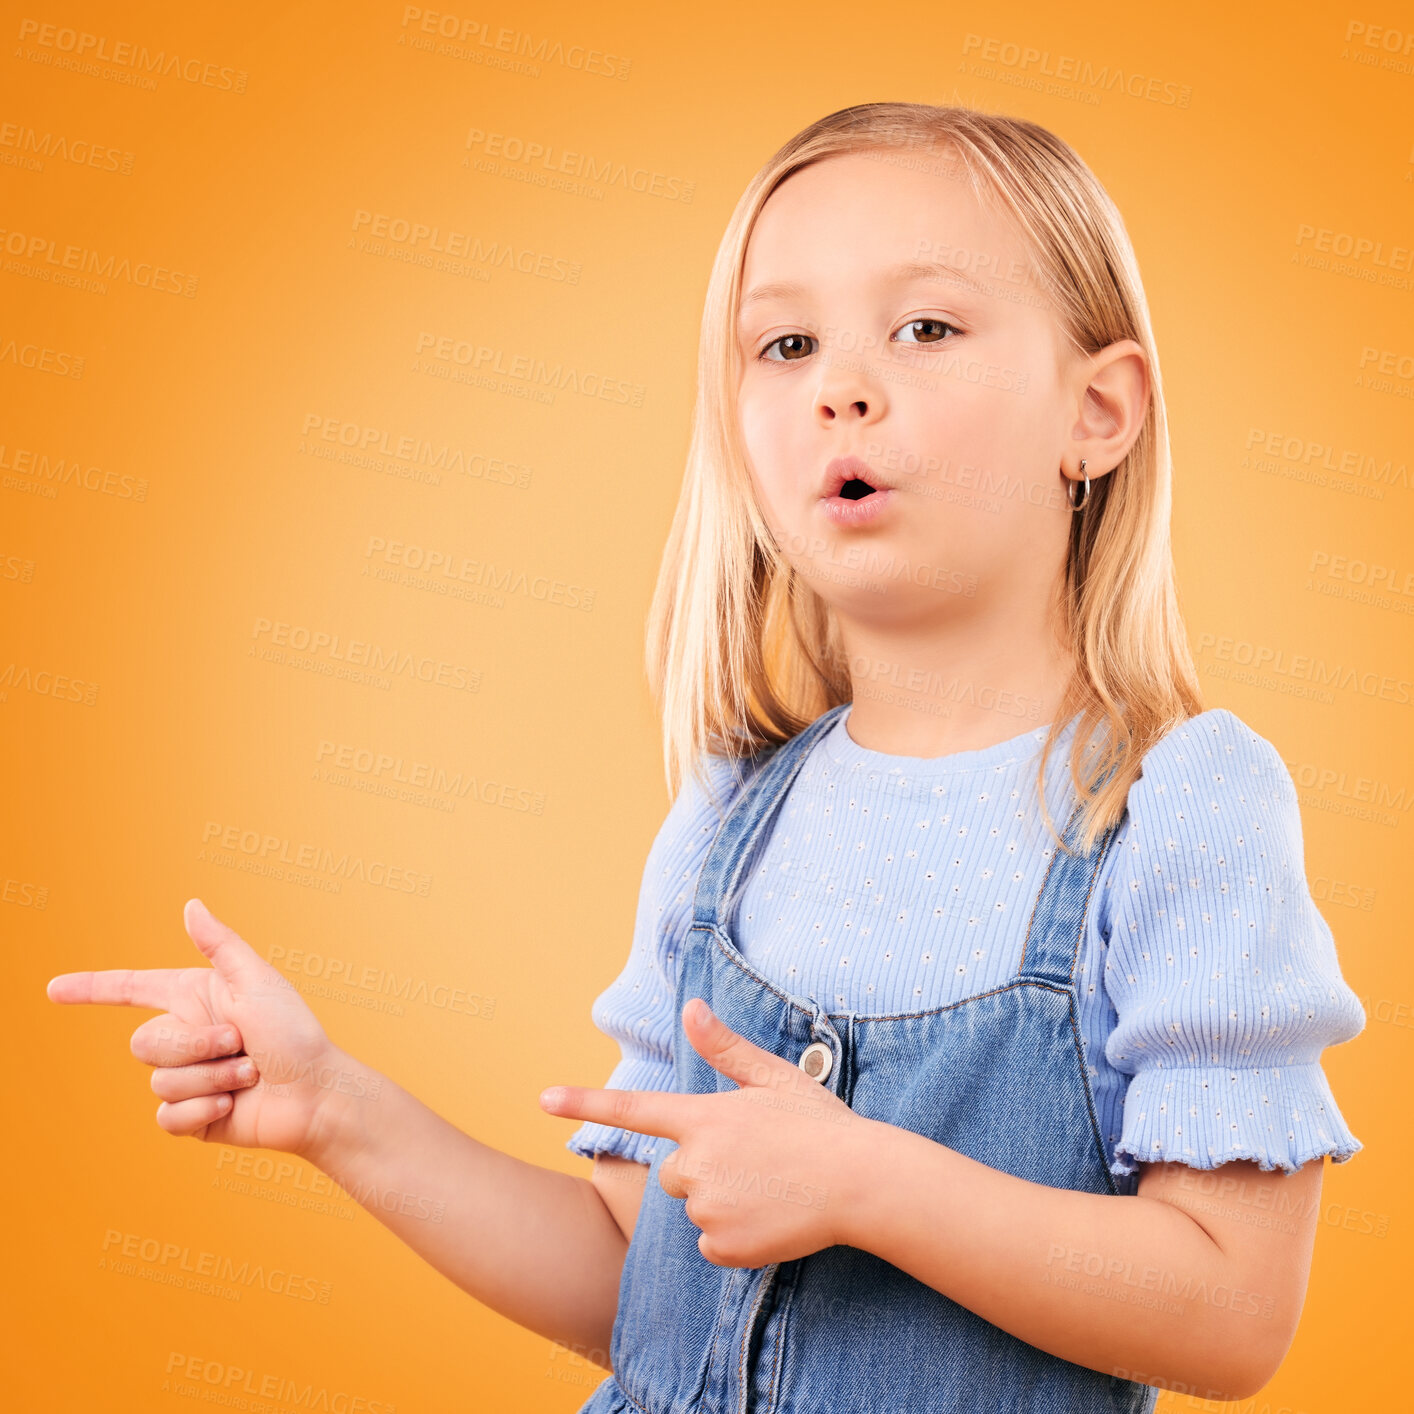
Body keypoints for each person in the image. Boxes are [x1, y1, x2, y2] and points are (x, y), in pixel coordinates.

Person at [46, 103, 1365, 1412]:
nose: (842, 385)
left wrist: (864, 1183)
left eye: (926, 327)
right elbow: (638, 1281)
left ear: (1098, 411)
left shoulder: (1175, 806)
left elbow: (1231, 1310)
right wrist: (336, 1105)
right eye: (785, 343)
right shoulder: (733, 817)